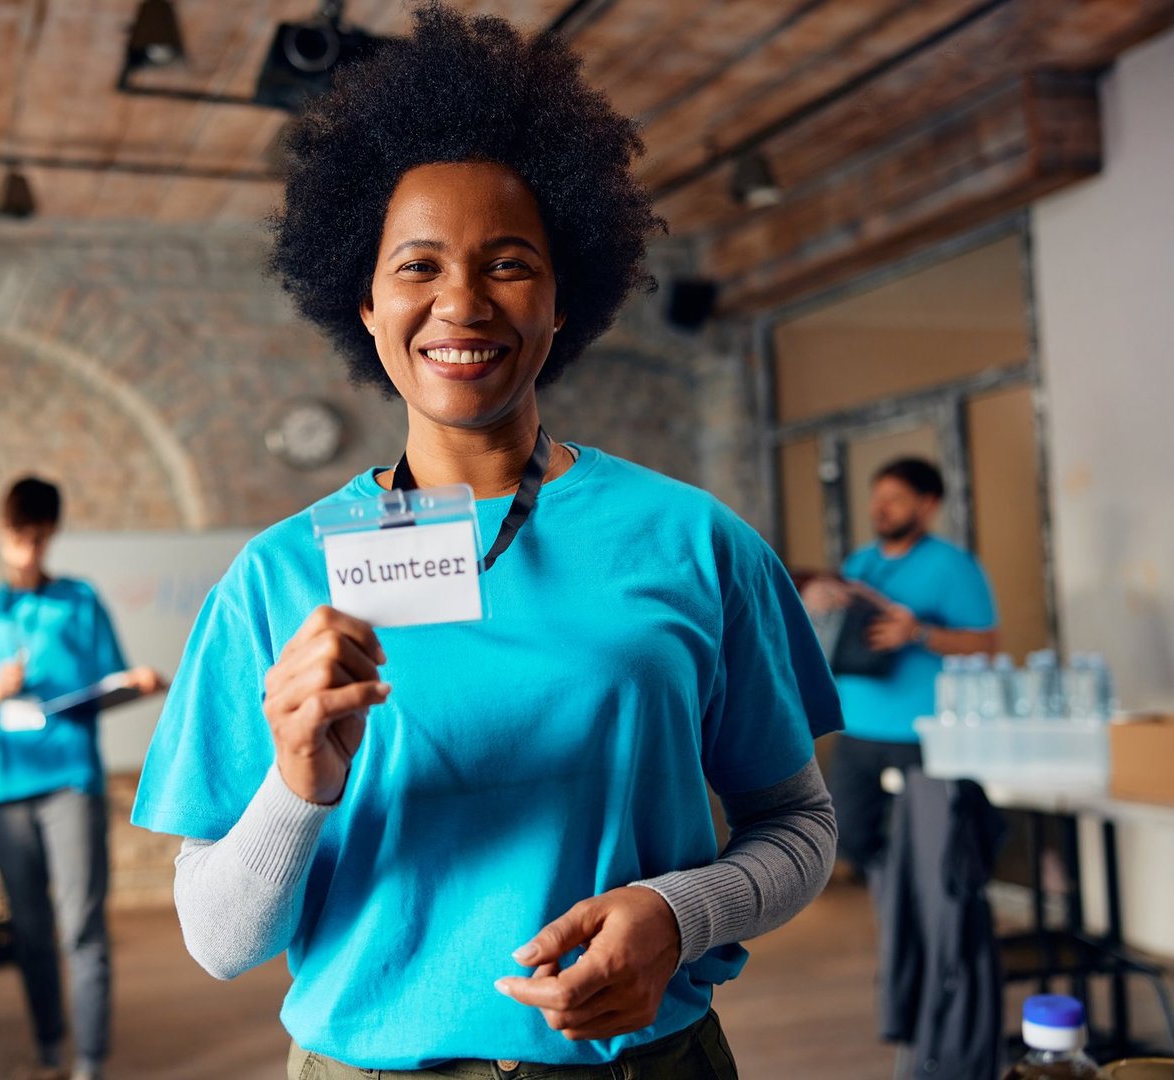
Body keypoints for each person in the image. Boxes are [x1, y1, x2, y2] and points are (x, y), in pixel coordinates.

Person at [130, 7, 843, 1078]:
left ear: (563, 301)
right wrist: (297, 782)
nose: (461, 303)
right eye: (416, 267)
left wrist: (677, 912)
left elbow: (797, 824)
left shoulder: (698, 542)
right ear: (363, 303)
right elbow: (222, 941)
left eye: (508, 263)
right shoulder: (278, 578)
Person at [0, 476, 164, 1080]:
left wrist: (134, 684)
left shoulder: (81, 601)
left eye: (40, 537)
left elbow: (111, 680)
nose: (29, 548)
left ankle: (90, 1061)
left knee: (83, 927)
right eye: (19, 536)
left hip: (71, 781)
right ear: (0, 533)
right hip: (5, 790)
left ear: (52, 535)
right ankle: (48, 1046)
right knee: (31, 931)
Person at [800, 457, 999, 881]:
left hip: (921, 732)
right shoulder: (859, 563)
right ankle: (897, 900)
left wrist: (918, 633)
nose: (880, 508)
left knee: (934, 846)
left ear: (928, 504)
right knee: (849, 838)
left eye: (894, 499)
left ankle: (926, 915)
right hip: (855, 728)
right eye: (876, 498)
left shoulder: (953, 566)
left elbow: (987, 646)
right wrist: (816, 594)